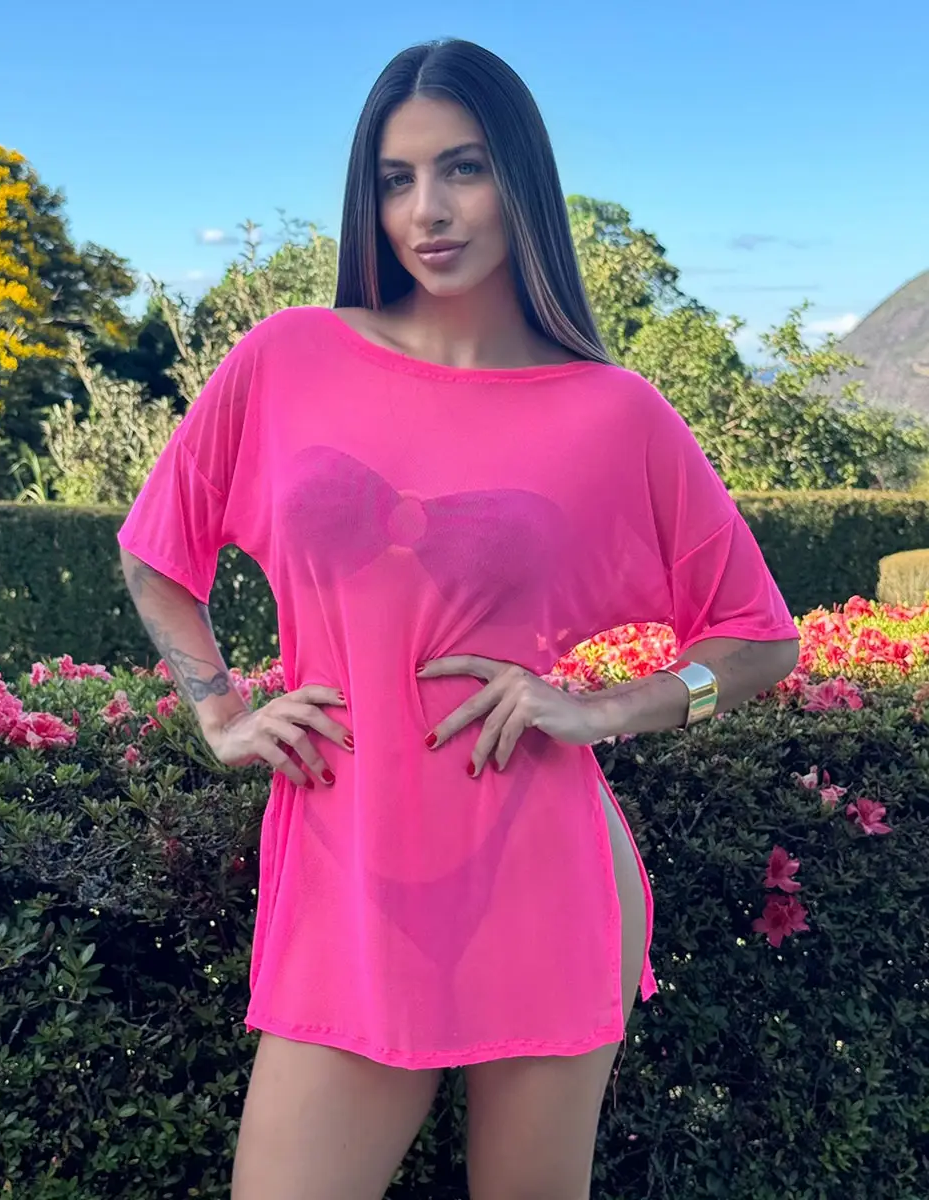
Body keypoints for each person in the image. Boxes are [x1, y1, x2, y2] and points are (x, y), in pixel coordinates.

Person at [117, 37, 801, 1200]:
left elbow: (759, 636)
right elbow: (155, 552)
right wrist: (218, 710)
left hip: (543, 878)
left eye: (463, 168)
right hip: (346, 878)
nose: (425, 210)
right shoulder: (288, 357)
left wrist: (603, 710)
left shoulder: (615, 412)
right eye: (396, 178)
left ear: (520, 178)